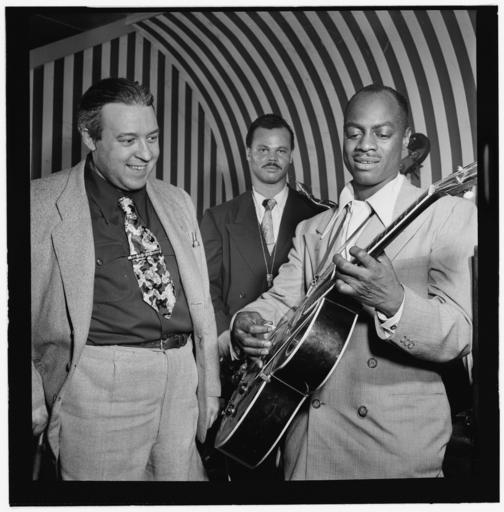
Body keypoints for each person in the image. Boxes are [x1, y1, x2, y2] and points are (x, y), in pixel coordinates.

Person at [232, 85, 477, 479]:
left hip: (392, 451)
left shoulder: (447, 215)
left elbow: (460, 332)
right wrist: (246, 321)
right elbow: (282, 300)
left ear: (405, 140)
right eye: (354, 132)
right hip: (309, 446)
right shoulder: (314, 228)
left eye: (382, 133)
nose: (365, 145)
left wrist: (394, 301)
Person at [31, 77, 220, 481]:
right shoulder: (38, 204)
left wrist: (208, 385)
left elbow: (200, 301)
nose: (146, 154)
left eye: (152, 137)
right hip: (100, 386)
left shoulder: (178, 200)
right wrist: (28, 394)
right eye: (128, 140)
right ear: (89, 137)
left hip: (181, 379)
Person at [200, 113, 324, 479]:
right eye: (263, 149)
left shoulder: (320, 215)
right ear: (248, 154)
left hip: (297, 364)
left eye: (281, 150)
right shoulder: (217, 217)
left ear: (291, 155)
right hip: (238, 367)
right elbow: (206, 288)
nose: (272, 157)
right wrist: (227, 338)